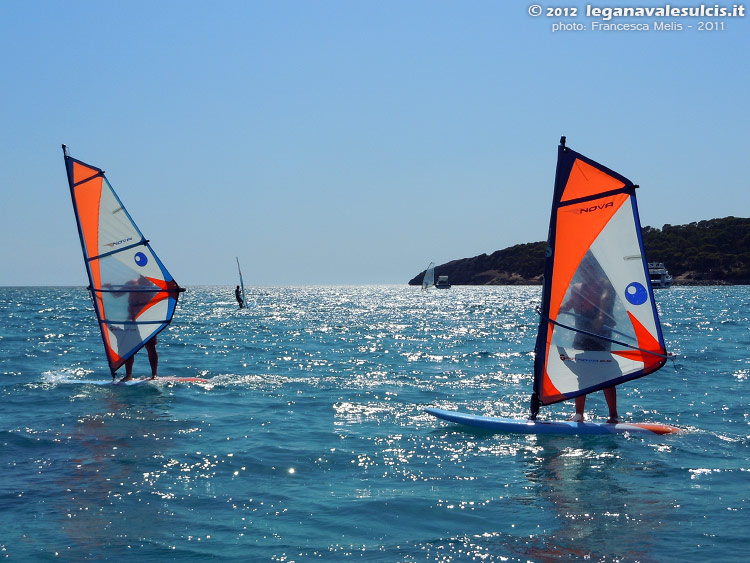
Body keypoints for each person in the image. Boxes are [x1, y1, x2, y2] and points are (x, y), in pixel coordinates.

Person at [559, 271, 620, 424]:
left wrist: (600, 316)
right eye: (583, 269)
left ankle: (613, 416)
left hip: (600, 335)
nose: (586, 272)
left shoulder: (604, 284)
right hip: (582, 335)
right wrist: (554, 310)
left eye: (588, 267)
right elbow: (569, 304)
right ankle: (579, 414)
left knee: (607, 376)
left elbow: (605, 298)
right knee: (582, 373)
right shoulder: (578, 288)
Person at [119, 276, 159, 382]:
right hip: (131, 320)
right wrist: (107, 288)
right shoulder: (131, 283)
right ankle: (128, 375)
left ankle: (154, 375)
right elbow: (116, 295)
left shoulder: (152, 286)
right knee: (129, 348)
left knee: (151, 347)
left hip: (146, 320)